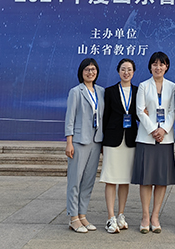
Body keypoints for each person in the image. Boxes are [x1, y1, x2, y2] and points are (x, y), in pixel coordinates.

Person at [132, 51, 175, 233]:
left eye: (162, 64)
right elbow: (140, 110)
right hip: (146, 138)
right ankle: (145, 216)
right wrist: (153, 129)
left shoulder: (172, 87)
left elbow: (173, 111)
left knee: (161, 179)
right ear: (150, 66)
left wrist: (163, 130)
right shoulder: (144, 86)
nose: (158, 67)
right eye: (155, 64)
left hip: (165, 139)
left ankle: (155, 216)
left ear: (167, 66)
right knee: (146, 179)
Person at [65, 57, 105, 233]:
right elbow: (70, 118)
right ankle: (73, 217)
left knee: (88, 181)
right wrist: (69, 142)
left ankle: (82, 215)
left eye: (93, 69)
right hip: (79, 141)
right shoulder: (76, 91)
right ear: (81, 72)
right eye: (87, 69)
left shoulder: (101, 91)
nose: (90, 72)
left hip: (96, 141)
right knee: (75, 180)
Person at [100, 58, 139, 234]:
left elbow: (139, 114)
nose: (126, 72)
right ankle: (110, 217)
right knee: (110, 178)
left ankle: (121, 215)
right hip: (112, 140)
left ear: (133, 72)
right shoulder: (109, 91)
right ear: (118, 71)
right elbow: (105, 116)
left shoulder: (138, 91)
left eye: (129, 69)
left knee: (124, 179)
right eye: (123, 69)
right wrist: (102, 141)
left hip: (130, 140)